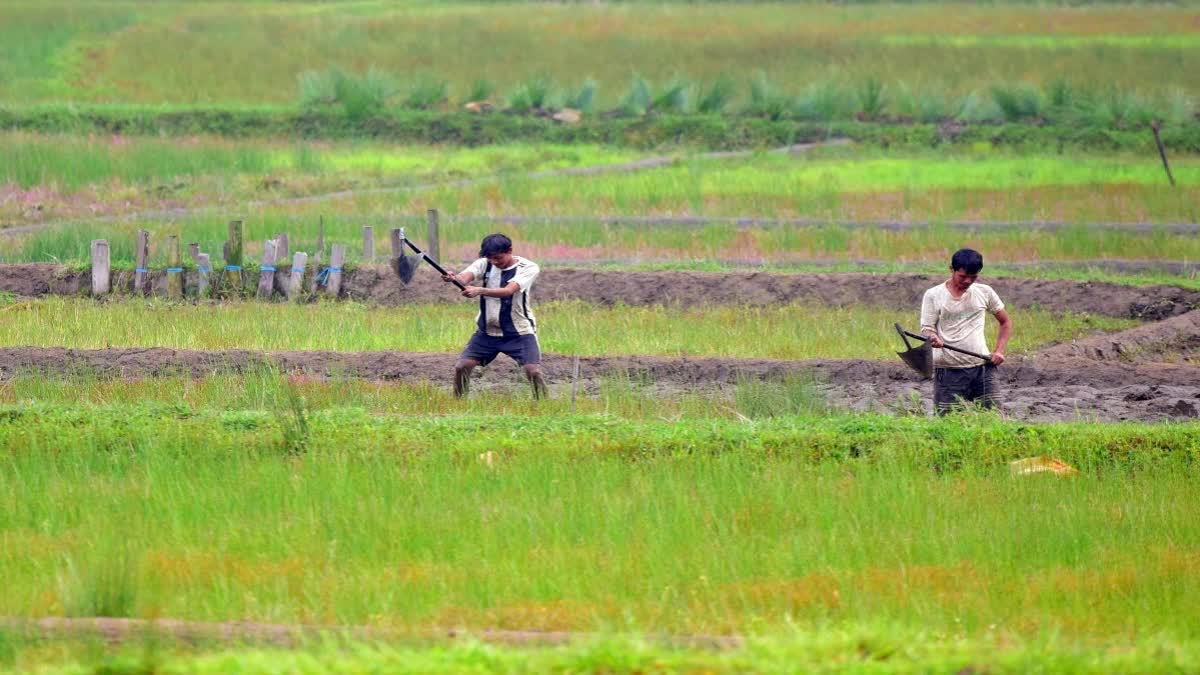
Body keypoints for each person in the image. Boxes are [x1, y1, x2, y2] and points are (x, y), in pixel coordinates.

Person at [441, 233, 546, 399]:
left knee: (532, 370)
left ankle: (543, 404)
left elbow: (508, 291)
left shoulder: (529, 267)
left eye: (498, 258)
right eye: (491, 259)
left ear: (509, 251)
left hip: (519, 331)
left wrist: (480, 290)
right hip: (487, 332)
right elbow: (464, 278)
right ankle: (457, 403)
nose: (495, 262)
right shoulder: (485, 263)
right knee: (462, 366)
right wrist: (453, 278)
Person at [920, 248, 1012, 415]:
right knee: (948, 423)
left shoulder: (985, 292)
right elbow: (927, 329)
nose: (968, 281)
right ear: (951, 269)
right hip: (948, 371)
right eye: (963, 276)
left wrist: (999, 351)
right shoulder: (934, 295)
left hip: (983, 368)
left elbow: (1005, 322)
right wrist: (933, 337)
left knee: (994, 418)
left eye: (973, 277)